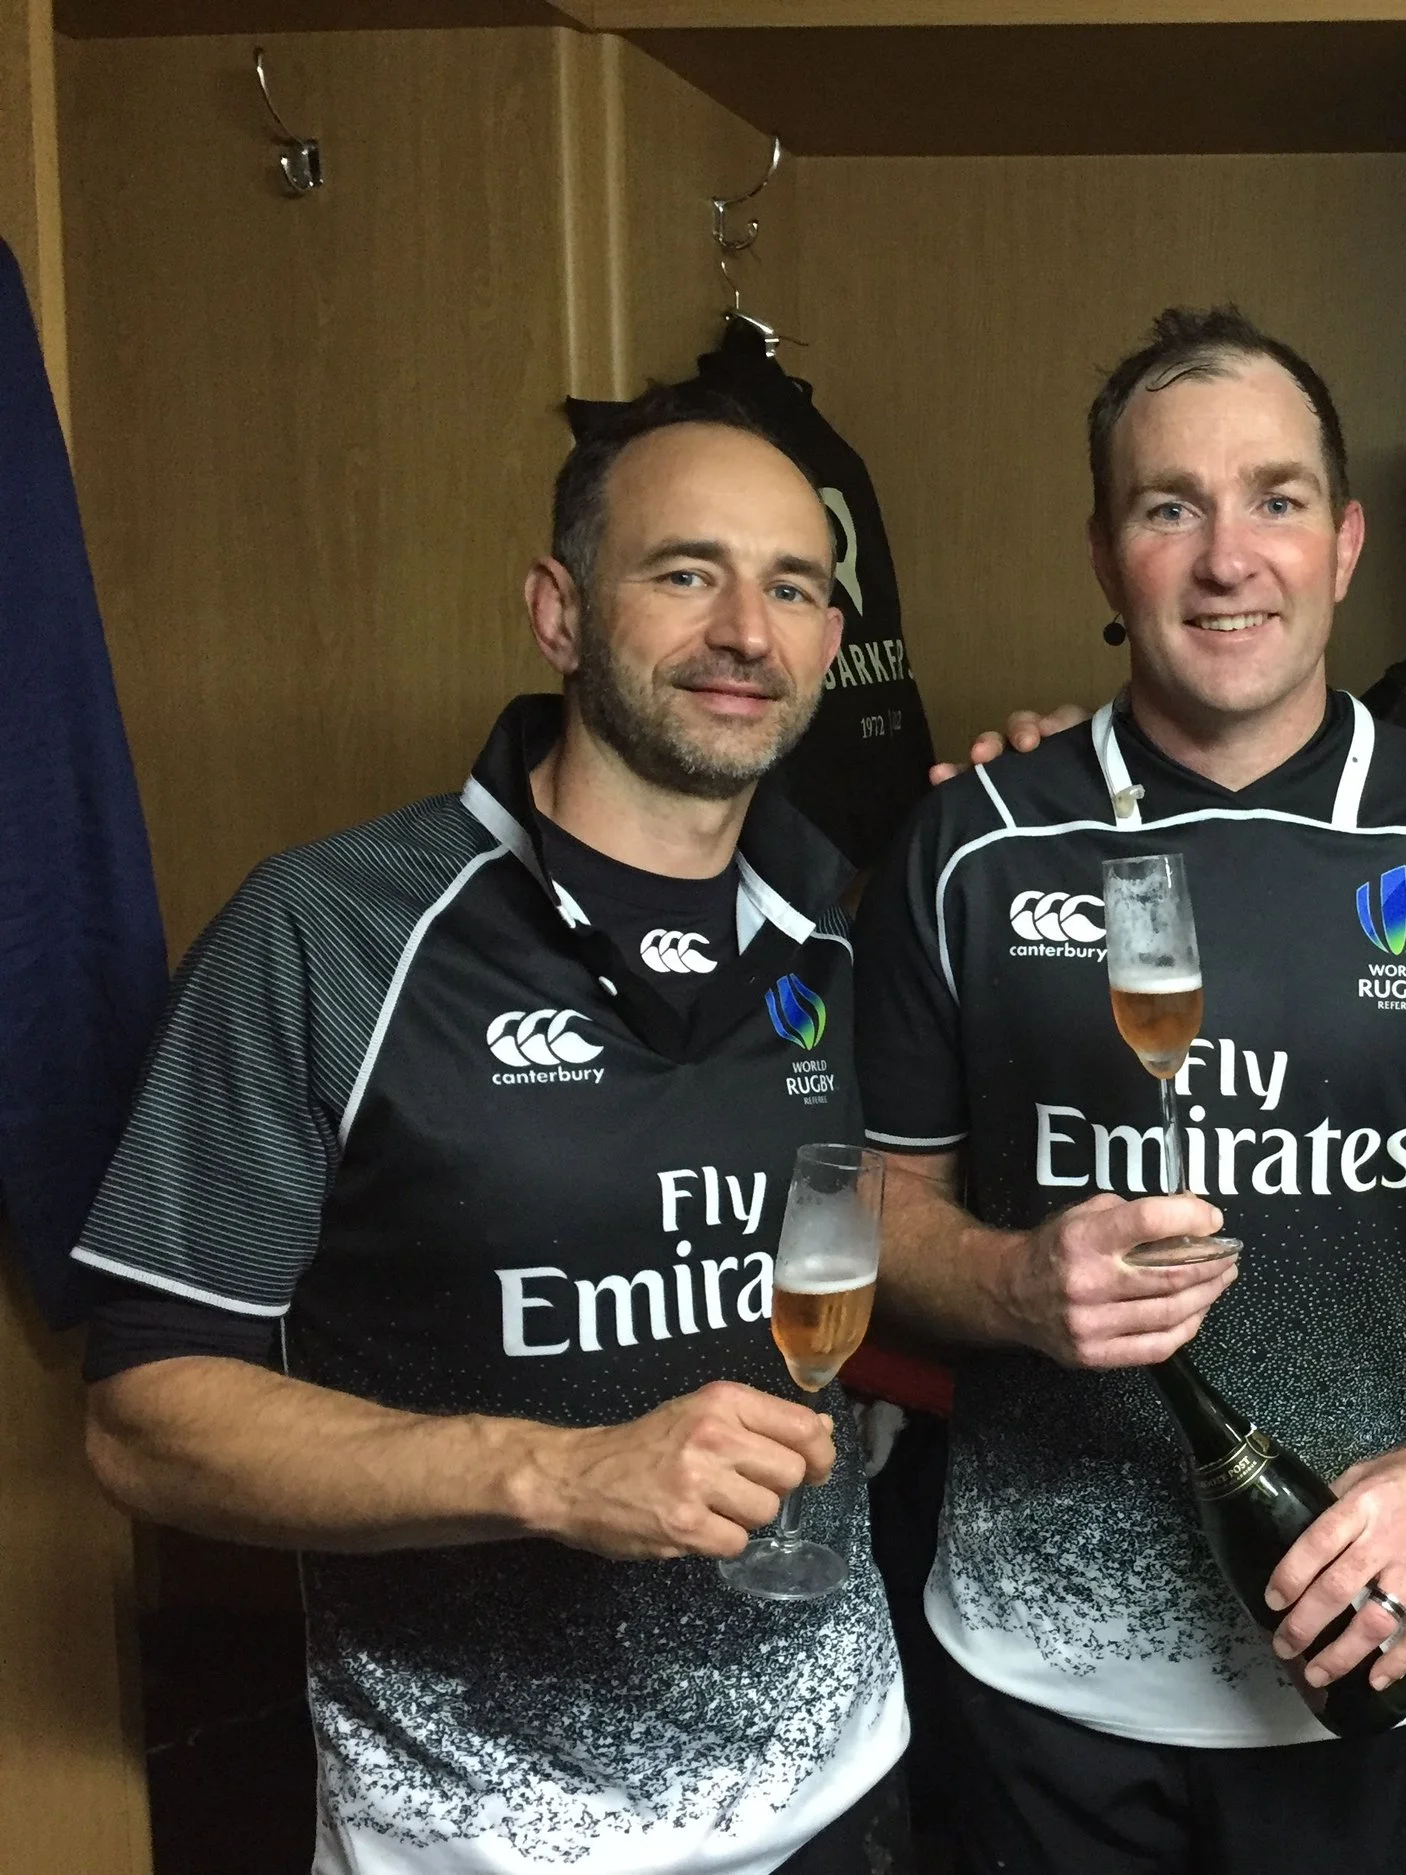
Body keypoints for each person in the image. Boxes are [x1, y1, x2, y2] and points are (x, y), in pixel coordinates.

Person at [75, 385, 911, 1874]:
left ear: (828, 645)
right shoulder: (325, 933)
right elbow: (147, 1420)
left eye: (793, 586)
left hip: (843, 1798)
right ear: (557, 610)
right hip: (480, 1842)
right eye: (683, 571)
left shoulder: (837, 931)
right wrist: (550, 1472)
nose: (745, 629)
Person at [851, 306, 1406, 1875]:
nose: (1226, 555)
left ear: (1347, 542)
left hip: (1366, 1664)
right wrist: (1005, 1279)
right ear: (1106, 557)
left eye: (1276, 498)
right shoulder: (971, 840)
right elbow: (871, 1208)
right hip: (1033, 1680)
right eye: (1167, 506)